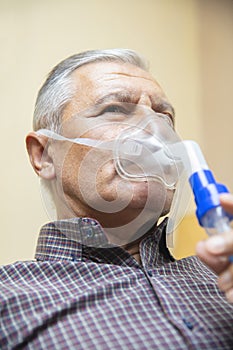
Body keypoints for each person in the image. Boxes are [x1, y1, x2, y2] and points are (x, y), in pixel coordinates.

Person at [0, 49, 233, 349]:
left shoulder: (221, 278)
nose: (155, 133)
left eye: (165, 117)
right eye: (115, 110)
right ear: (44, 155)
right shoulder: (8, 301)